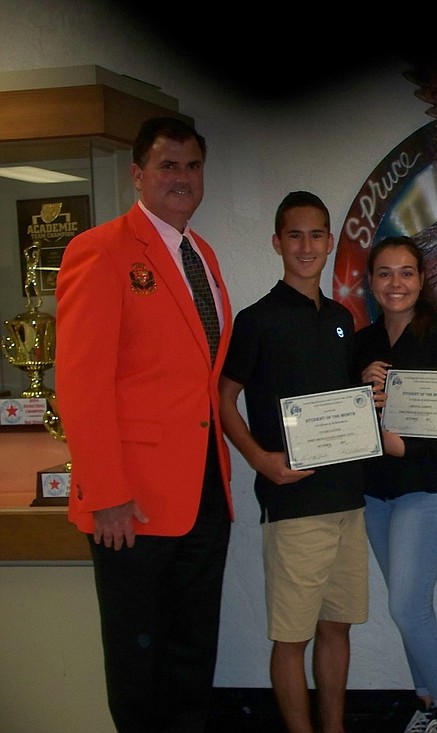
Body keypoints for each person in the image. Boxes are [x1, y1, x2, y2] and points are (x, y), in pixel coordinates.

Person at [55, 116, 234, 732]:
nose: (182, 178)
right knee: (139, 665)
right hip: (131, 505)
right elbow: (80, 384)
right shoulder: (99, 250)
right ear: (138, 175)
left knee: (191, 657)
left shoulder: (200, 254)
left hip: (205, 494)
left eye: (192, 166)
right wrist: (106, 495)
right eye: (167, 166)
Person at [218, 191, 369, 733]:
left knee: (337, 628)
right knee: (291, 637)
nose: (307, 247)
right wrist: (260, 460)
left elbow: (339, 402)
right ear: (277, 243)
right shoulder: (256, 319)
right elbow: (223, 398)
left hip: (347, 499)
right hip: (293, 502)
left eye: (316, 235)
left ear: (330, 243)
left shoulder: (341, 319)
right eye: (295, 236)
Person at [353, 236, 437, 733]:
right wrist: (361, 385)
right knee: (404, 606)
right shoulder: (362, 343)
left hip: (427, 488)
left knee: (406, 604)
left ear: (422, 280)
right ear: (372, 281)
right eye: (385, 273)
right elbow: (342, 418)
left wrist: (404, 443)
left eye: (406, 273)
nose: (395, 283)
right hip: (376, 491)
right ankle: (425, 703)